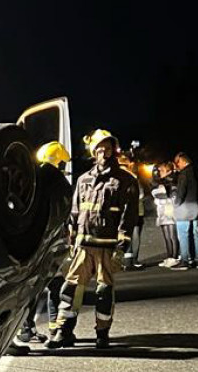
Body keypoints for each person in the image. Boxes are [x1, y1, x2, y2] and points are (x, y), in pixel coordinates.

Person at [46, 129, 139, 350]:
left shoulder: (126, 180)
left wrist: (122, 245)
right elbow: (75, 212)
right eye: (100, 148)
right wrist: (71, 238)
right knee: (70, 290)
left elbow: (130, 215)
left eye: (108, 148)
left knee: (103, 292)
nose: (104, 152)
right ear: (93, 151)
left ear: (113, 150)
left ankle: (102, 334)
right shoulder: (83, 180)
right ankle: (63, 331)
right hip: (83, 246)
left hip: (107, 246)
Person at [7, 141, 71, 355]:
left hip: (30, 246)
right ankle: (54, 329)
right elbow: (61, 215)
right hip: (47, 246)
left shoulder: (31, 180)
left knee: (30, 291)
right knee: (54, 286)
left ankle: (26, 330)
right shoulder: (58, 183)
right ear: (59, 161)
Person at [171, 152, 198, 269]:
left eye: (177, 162)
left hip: (184, 209)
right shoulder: (196, 172)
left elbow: (181, 192)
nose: (176, 165)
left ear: (183, 161)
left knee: (183, 235)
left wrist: (175, 206)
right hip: (195, 207)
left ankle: (185, 260)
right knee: (195, 234)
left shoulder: (184, 174)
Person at [152, 162, 180, 267]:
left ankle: (175, 256)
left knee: (172, 235)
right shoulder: (160, 182)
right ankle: (169, 257)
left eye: (162, 171)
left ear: (168, 171)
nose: (159, 173)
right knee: (166, 236)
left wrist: (161, 200)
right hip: (162, 212)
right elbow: (156, 196)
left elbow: (174, 198)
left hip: (170, 211)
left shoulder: (173, 182)